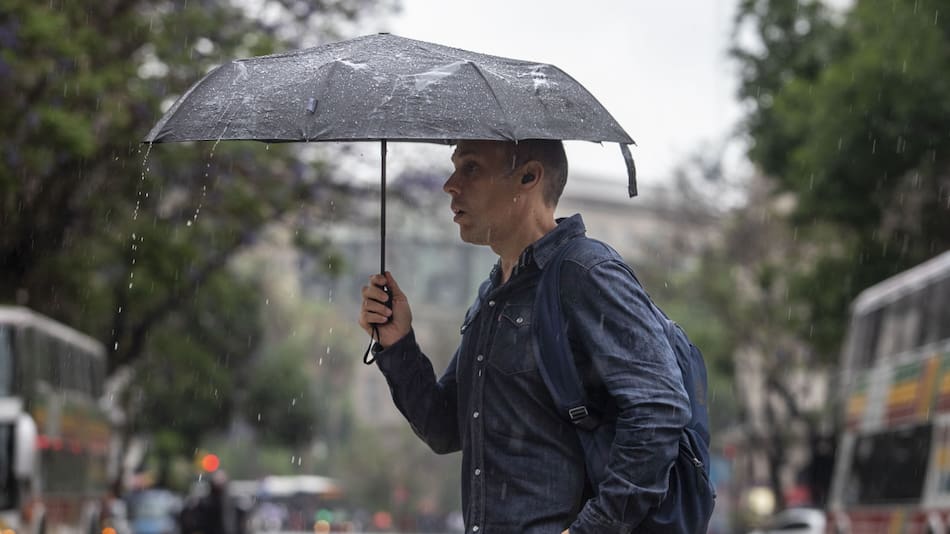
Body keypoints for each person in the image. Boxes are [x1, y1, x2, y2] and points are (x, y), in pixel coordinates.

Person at [358, 139, 691, 533]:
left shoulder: (586, 273)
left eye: (471, 168)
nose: (450, 184)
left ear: (529, 176)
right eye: (454, 168)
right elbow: (445, 427)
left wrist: (594, 528)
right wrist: (398, 343)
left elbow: (659, 409)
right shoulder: (493, 295)